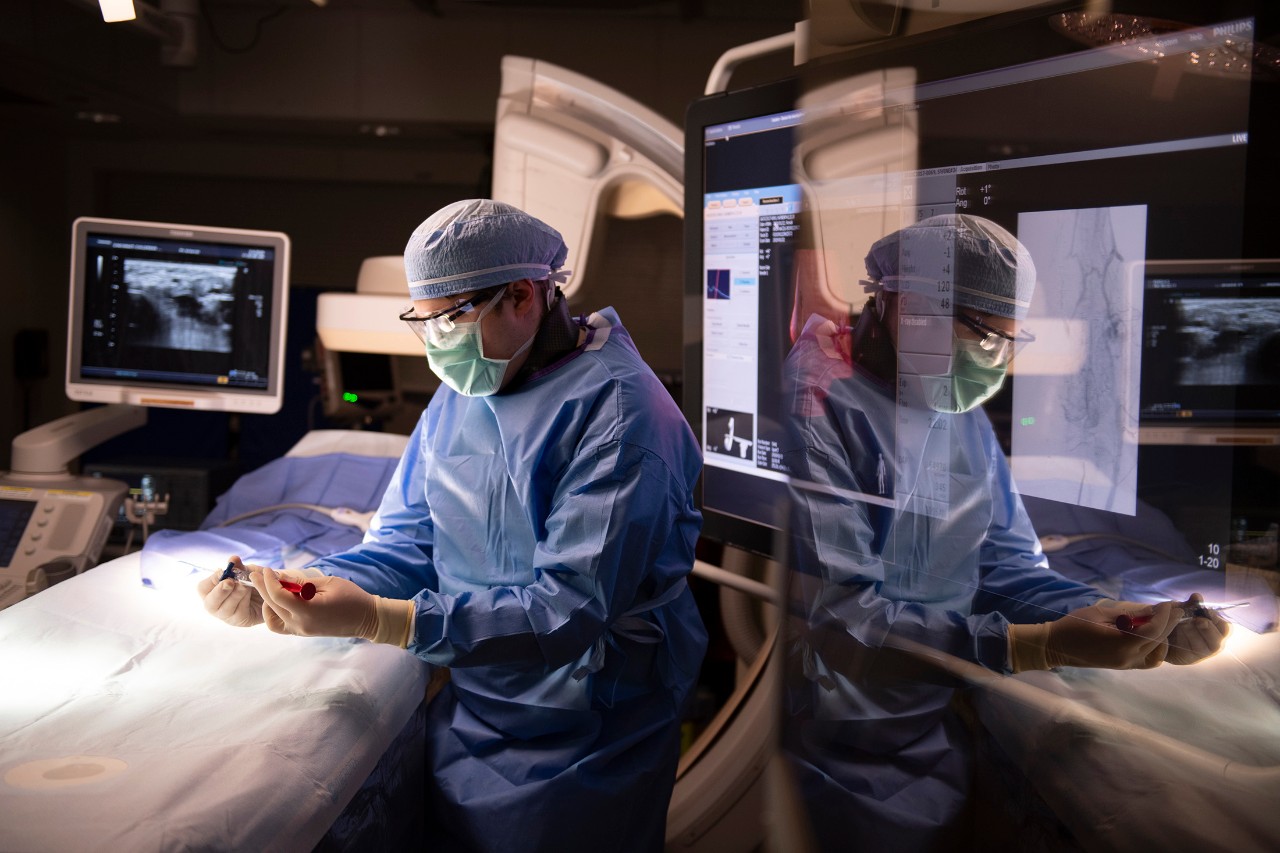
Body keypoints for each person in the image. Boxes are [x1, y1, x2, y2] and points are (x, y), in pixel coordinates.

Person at [198, 199, 707, 852]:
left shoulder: (622, 415)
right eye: (424, 322)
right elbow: (409, 540)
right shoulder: (465, 390)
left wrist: (384, 620)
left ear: (523, 294)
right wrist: (293, 586)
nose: (439, 342)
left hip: (585, 729)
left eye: (453, 317)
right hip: (476, 703)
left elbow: (568, 609)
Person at [780, 213, 1229, 851]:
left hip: (929, 715)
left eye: (1008, 343)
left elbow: (1001, 560)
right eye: (985, 336)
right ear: (905, 303)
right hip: (839, 738)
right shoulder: (815, 404)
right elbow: (843, 616)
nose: (993, 361)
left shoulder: (946, 401)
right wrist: (1029, 646)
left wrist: (1114, 616)